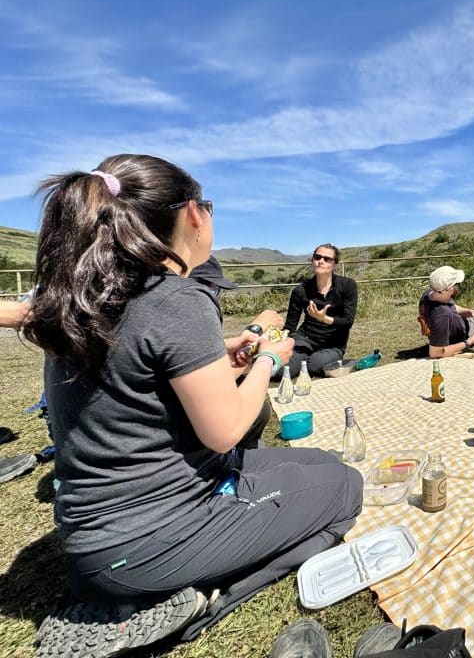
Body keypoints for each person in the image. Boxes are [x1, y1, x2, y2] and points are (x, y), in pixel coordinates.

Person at [24, 155, 363, 652]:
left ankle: (162, 579)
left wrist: (213, 355)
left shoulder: (86, 297)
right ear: (193, 216)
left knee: (318, 462)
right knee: (345, 486)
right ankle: (203, 599)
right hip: (154, 536)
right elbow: (225, 429)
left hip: (95, 536)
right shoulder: (174, 298)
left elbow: (139, 381)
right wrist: (267, 359)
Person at [190, 255, 285, 448]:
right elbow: (207, 381)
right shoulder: (183, 319)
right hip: (207, 449)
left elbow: (201, 357)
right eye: (211, 290)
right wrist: (265, 353)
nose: (216, 298)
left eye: (217, 291)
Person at [283, 243, 358, 377]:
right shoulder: (300, 291)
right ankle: (299, 360)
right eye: (317, 257)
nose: (321, 261)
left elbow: (348, 321)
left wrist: (324, 318)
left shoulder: (347, 285)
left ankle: (306, 360)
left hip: (333, 343)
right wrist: (279, 342)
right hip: (305, 338)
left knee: (314, 366)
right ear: (312, 260)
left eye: (327, 259)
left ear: (334, 264)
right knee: (286, 369)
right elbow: (290, 325)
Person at [419, 265, 474, 358]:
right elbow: (435, 353)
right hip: (469, 334)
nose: (458, 286)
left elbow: (452, 307)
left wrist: (469, 312)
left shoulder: (431, 293)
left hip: (468, 322)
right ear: (450, 289)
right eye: (457, 284)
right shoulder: (442, 315)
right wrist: (471, 341)